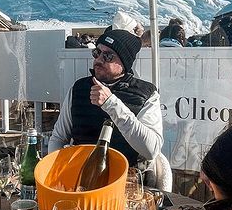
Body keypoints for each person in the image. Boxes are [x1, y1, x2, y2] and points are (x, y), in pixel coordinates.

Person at [48, 26, 163, 168]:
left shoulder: (146, 94)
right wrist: (56, 170)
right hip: (79, 176)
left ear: (124, 62)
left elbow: (152, 150)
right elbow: (59, 137)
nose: (99, 59)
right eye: (97, 53)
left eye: (108, 56)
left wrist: (112, 104)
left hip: (126, 179)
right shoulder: (79, 88)